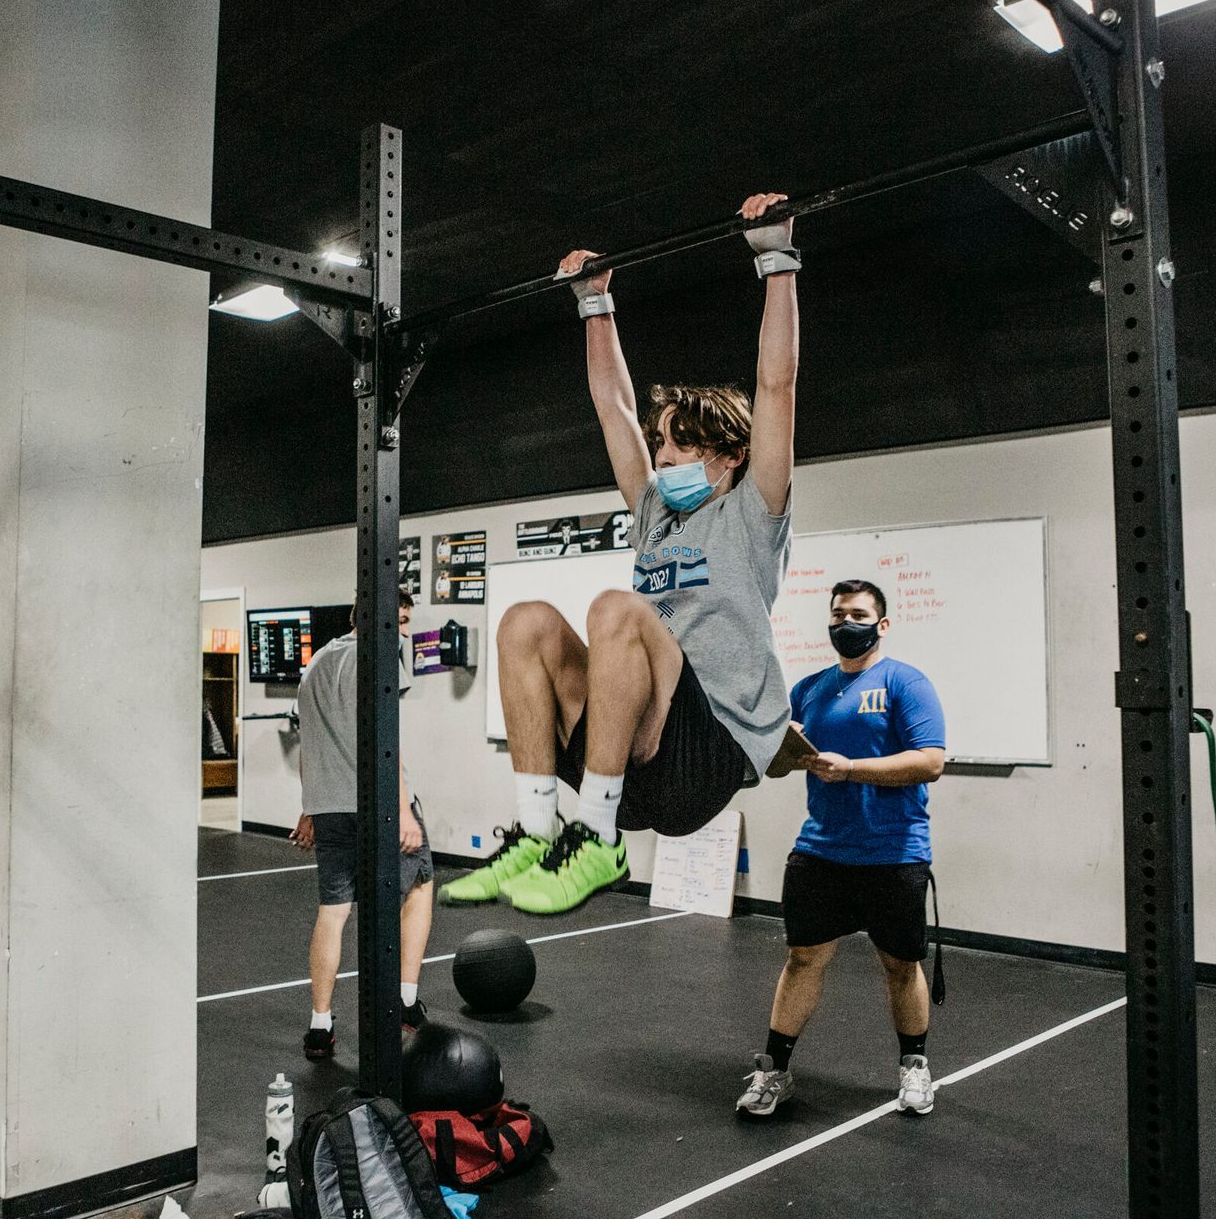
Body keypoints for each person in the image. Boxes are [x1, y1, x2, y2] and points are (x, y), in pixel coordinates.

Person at [440, 193, 801, 916]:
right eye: (660, 443)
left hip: (706, 748)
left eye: (678, 444)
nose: (660, 456)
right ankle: (539, 831)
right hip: (635, 756)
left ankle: (597, 839)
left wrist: (775, 258)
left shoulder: (751, 508)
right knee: (527, 622)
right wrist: (595, 306)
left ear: (728, 457)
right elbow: (614, 409)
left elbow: (776, 384)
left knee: (617, 609)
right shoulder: (655, 517)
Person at [736, 580, 947, 1118]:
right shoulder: (809, 688)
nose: (843, 624)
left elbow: (930, 762)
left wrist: (851, 768)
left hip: (893, 853)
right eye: (836, 614)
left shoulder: (906, 682)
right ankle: (774, 1072)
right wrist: (781, 749)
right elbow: (779, 764)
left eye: (857, 615)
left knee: (901, 966)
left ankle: (915, 1070)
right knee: (802, 959)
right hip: (821, 851)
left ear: (881, 624)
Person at [290, 587, 433, 1061]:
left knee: (334, 910)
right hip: (378, 804)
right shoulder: (379, 660)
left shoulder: (315, 665)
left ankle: (319, 1024)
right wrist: (405, 810)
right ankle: (406, 1001)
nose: (405, 632)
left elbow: (307, 742)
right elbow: (383, 739)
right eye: (402, 621)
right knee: (420, 885)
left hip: (328, 806)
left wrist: (310, 807)